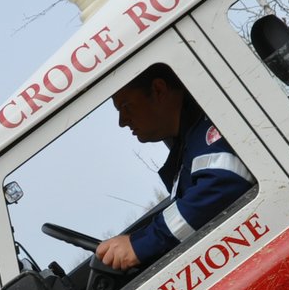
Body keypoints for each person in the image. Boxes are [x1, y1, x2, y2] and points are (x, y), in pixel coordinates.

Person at [95, 70, 255, 271]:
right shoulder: (187, 145)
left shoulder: (209, 128)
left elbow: (224, 182)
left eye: (126, 106)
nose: (122, 121)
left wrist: (139, 245)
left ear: (158, 90)